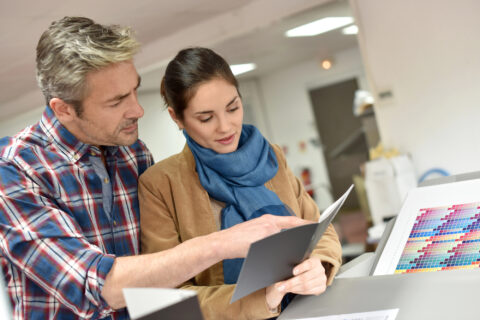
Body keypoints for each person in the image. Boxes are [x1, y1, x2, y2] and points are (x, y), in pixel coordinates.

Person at [0, 17, 312, 320]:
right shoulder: (15, 170)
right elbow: (94, 285)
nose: (138, 109)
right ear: (64, 109)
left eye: (135, 90)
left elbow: (165, 280)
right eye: (117, 100)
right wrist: (220, 243)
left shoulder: (132, 153)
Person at [139, 47, 343, 320]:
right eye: (206, 118)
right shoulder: (161, 184)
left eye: (233, 107)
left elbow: (318, 229)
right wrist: (262, 299)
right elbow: (165, 301)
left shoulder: (271, 156)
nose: (226, 126)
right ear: (177, 118)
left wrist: (320, 264)